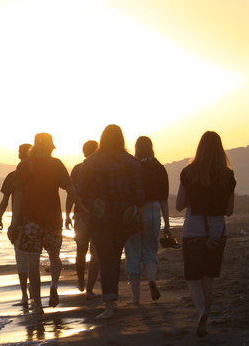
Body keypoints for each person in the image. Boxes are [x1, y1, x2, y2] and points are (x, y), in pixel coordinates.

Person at [74, 124, 144, 319]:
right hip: (124, 216)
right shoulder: (132, 163)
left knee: (105, 257)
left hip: (99, 216)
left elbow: (80, 190)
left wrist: (87, 209)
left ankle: (110, 305)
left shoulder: (91, 162)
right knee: (114, 255)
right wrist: (140, 218)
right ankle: (112, 300)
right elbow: (139, 195)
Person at [12, 132, 83, 314]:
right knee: (54, 255)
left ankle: (37, 305)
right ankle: (53, 286)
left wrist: (14, 222)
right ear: (50, 147)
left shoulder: (24, 165)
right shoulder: (56, 164)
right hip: (53, 219)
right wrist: (82, 206)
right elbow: (70, 189)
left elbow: (18, 195)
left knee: (32, 261)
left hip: (31, 220)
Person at [176, 131, 236, 337]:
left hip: (193, 228)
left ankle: (201, 311)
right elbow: (229, 210)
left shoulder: (188, 172)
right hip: (217, 229)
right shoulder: (228, 176)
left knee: (193, 278)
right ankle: (206, 315)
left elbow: (179, 205)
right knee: (208, 278)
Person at [124, 136, 171, 304]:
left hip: (136, 211)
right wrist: (167, 224)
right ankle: (151, 280)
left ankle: (136, 298)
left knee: (133, 253)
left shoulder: (133, 168)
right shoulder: (160, 168)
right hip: (154, 210)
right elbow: (164, 200)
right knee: (150, 252)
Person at [0, 143, 33, 304]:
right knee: (32, 256)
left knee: (22, 258)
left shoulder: (14, 175)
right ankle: (30, 292)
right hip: (36, 222)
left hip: (20, 223)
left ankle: (25, 294)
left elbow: (5, 200)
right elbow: (5, 199)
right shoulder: (40, 175)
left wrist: (0, 218)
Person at [65, 140, 100, 296]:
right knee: (95, 252)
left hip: (80, 214)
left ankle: (81, 281)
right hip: (97, 214)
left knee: (81, 250)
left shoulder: (78, 169)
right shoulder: (101, 168)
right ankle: (90, 288)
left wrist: (67, 215)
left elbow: (71, 193)